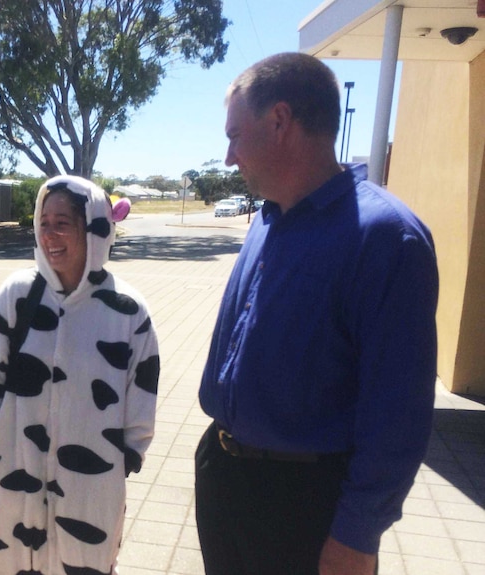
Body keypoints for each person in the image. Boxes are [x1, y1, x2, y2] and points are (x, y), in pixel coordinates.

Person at [195, 52, 439, 575]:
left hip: (304, 505)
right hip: (226, 477)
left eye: (236, 135)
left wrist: (357, 534)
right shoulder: (266, 218)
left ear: (280, 121)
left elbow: (398, 413)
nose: (229, 156)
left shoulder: (387, 238)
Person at [0, 175, 160, 574]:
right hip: (9, 483)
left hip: (90, 491)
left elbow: (141, 403)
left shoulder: (128, 312)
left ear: (94, 228)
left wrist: (114, 464)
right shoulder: (17, 295)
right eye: (43, 222)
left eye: (63, 222)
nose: (50, 234)